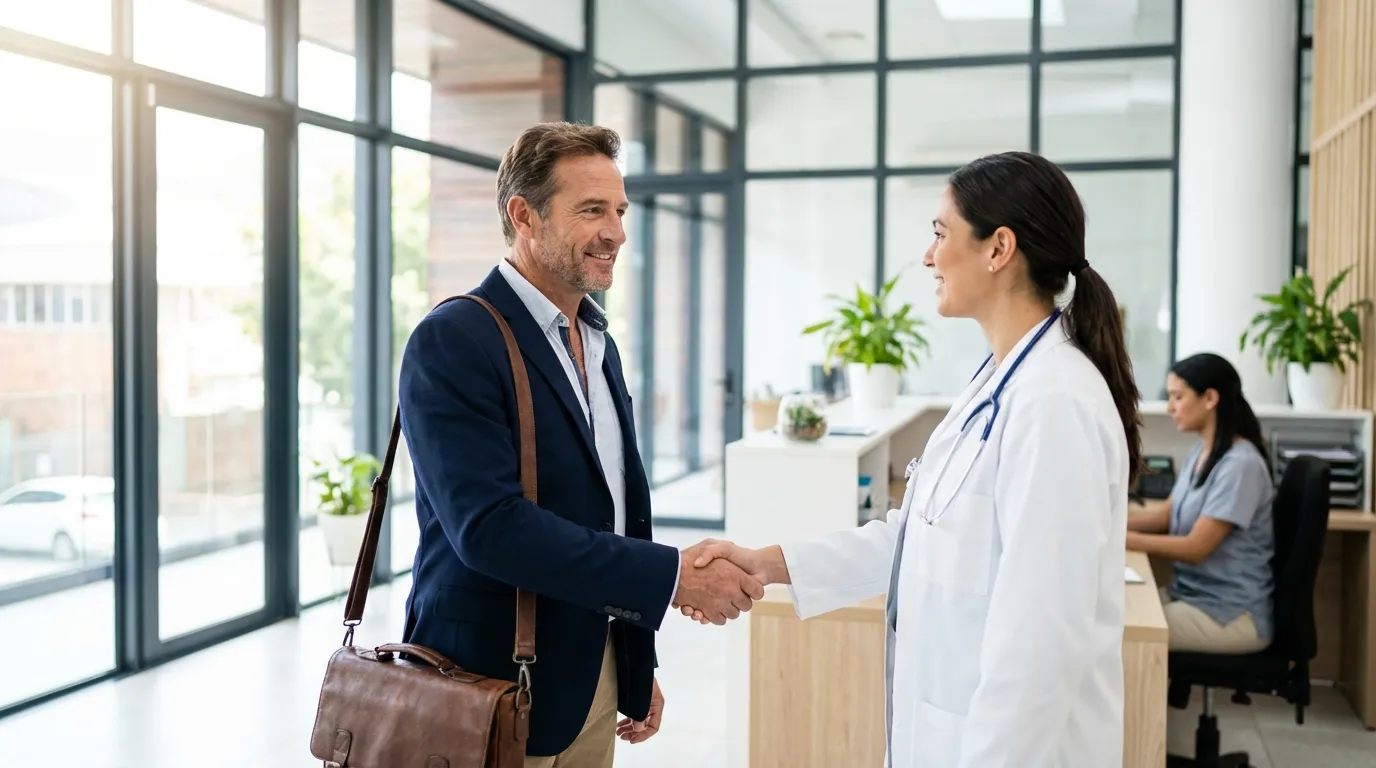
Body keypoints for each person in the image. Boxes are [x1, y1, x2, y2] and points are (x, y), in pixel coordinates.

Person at [681, 151, 1143, 767]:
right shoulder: (1000, 383)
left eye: (940, 233)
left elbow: (1041, 648)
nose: (928, 257)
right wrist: (767, 564)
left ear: (998, 248)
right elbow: (918, 539)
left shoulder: (1054, 402)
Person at [396, 122, 764, 768]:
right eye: (592, 210)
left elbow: (611, 507)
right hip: (488, 698)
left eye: (619, 210)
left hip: (587, 685)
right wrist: (674, 579)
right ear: (524, 216)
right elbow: (491, 530)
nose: (617, 231)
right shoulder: (453, 341)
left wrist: (631, 660)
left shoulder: (597, 341)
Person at [1126, 352, 1276, 654]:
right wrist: (1109, 520)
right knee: (1117, 610)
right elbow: (1167, 515)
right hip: (1193, 594)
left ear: (1209, 398)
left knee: (1129, 631)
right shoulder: (1201, 451)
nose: (1170, 407)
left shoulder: (1241, 464)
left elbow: (1196, 548)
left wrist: (1121, 539)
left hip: (1231, 612)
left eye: (1177, 397)